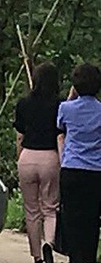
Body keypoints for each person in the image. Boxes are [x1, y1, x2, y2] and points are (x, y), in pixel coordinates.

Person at [14, 63, 62, 263]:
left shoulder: (23, 103)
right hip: (50, 157)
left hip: (28, 157)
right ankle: (48, 244)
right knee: (50, 208)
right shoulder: (60, 105)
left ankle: (36, 257)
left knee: (31, 210)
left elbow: (19, 136)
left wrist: (19, 158)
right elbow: (61, 134)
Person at [57, 63, 101, 263]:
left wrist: (71, 96)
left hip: (71, 169)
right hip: (96, 172)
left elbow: (60, 126)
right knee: (92, 223)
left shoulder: (66, 108)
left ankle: (75, 258)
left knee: (72, 222)